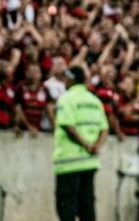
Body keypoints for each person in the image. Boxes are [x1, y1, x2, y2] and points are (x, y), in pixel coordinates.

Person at [53, 65, 109, 221]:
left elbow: (68, 126)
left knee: (66, 207)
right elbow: (104, 129)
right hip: (89, 162)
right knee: (87, 207)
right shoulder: (95, 101)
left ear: (70, 79)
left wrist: (85, 144)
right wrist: (95, 146)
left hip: (68, 162)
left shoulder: (65, 98)